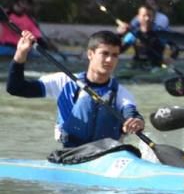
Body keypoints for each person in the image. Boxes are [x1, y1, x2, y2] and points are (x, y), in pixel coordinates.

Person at [6, 30, 144, 147]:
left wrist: (136, 122)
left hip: (109, 154)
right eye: (105, 53)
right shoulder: (63, 81)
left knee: (107, 100)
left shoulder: (121, 92)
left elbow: (130, 112)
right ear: (90, 54)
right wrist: (20, 54)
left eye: (114, 55)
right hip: (72, 153)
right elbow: (16, 88)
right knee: (86, 99)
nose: (110, 60)